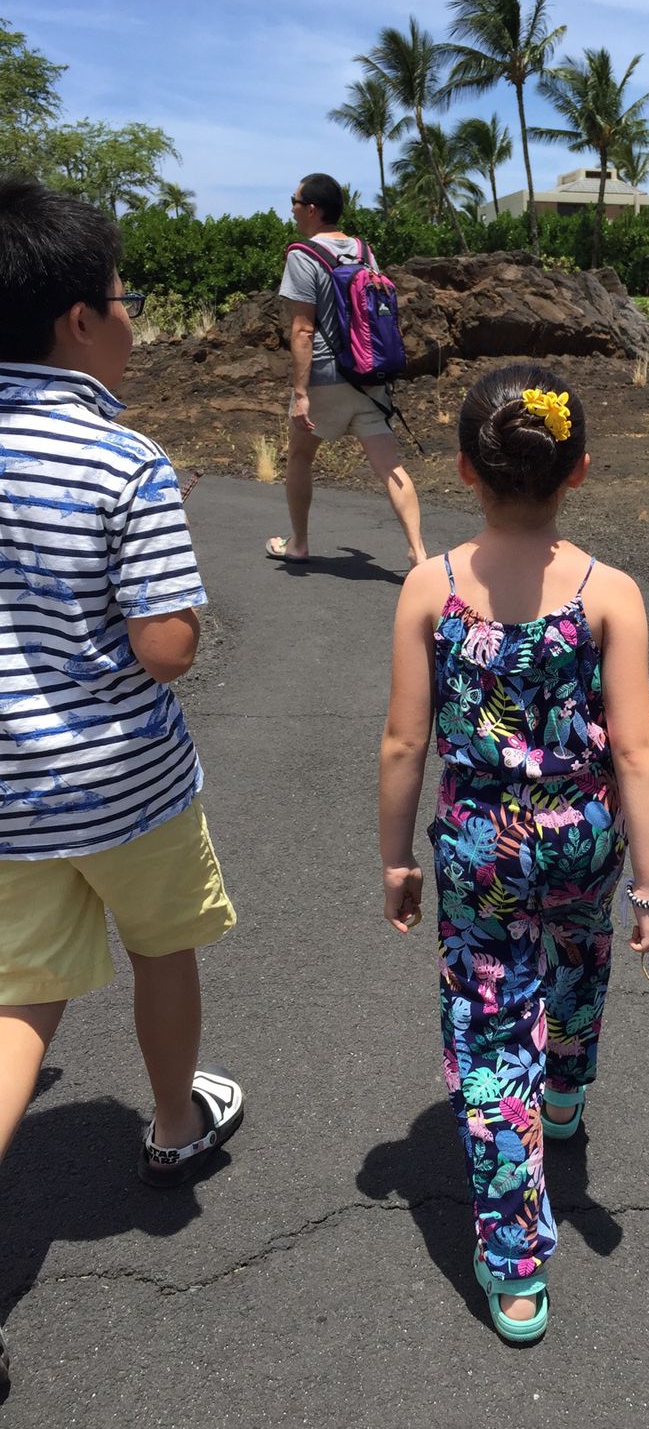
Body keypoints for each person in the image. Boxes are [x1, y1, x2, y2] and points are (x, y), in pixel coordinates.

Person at [0, 179, 243, 1378]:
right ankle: (169, 1124)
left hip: (3, 800)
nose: (135, 319)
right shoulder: (125, 461)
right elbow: (166, 647)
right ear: (78, 322)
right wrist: (177, 591)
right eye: (123, 299)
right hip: (125, 786)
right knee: (162, 948)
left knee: (18, 1002)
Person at [379, 363, 649, 1343]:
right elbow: (635, 748)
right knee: (581, 960)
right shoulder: (609, 594)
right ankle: (572, 1084)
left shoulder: (431, 587)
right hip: (584, 838)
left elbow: (403, 743)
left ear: (464, 468)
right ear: (579, 470)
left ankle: (513, 1272)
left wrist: (394, 858)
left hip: (479, 848)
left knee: (495, 1030)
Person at [267, 173, 426, 569]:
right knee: (390, 466)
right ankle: (418, 552)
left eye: (295, 200)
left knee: (300, 457)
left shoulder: (302, 255)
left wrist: (301, 392)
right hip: (368, 375)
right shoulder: (363, 251)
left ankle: (299, 544)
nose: (291, 208)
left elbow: (303, 329)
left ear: (312, 210)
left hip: (324, 376)